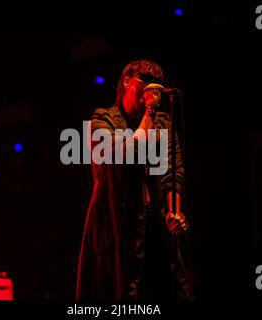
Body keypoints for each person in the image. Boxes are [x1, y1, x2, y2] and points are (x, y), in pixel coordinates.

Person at [76, 59, 193, 301]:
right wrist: (150, 111)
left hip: (155, 230)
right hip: (117, 231)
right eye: (147, 80)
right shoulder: (101, 121)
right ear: (127, 81)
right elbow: (126, 157)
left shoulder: (163, 125)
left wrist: (174, 212)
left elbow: (173, 172)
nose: (154, 87)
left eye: (158, 83)